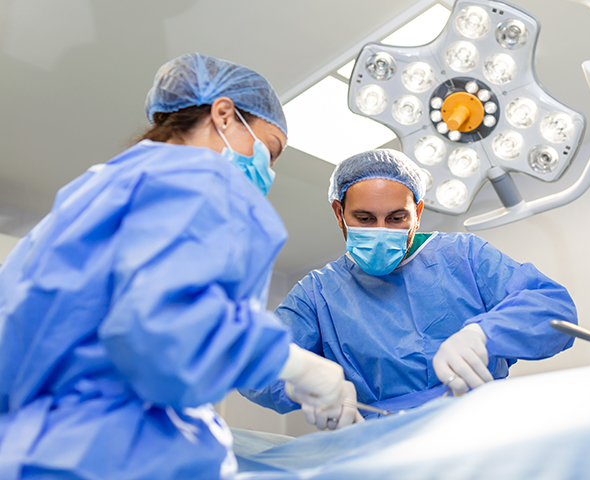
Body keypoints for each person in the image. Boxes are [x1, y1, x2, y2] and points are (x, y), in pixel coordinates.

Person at [0, 53, 352, 480]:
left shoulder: (95, 190)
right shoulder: (198, 178)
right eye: (269, 151)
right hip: (112, 455)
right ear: (224, 114)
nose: (268, 171)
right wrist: (294, 363)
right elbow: (164, 325)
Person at [241, 148, 579, 428]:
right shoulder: (317, 296)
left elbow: (552, 309)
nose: (380, 230)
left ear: (417, 212)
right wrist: (304, 383)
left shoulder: (463, 256)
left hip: (483, 428)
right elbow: (254, 362)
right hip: (380, 443)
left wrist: (483, 335)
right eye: (364, 218)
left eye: (396, 218)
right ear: (338, 212)